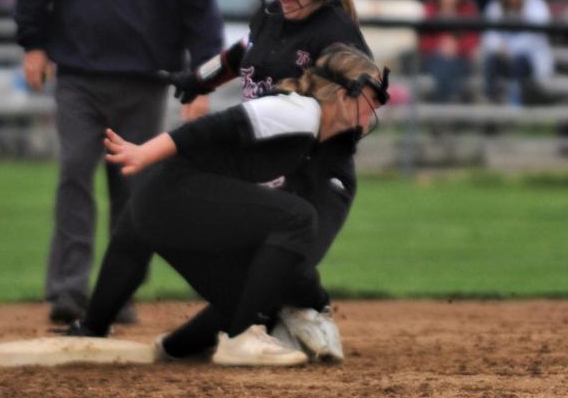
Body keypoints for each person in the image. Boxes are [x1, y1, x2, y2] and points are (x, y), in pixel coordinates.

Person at [68, 45, 389, 367]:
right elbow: (212, 126)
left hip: (162, 206)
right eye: (372, 92)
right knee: (298, 217)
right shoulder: (300, 112)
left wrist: (93, 324)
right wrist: (145, 152)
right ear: (342, 93)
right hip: (172, 194)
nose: (377, 104)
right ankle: (240, 336)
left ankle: (177, 347)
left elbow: (133, 237)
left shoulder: (319, 144)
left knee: (255, 294)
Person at [15, 0, 224, 325]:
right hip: (80, 79)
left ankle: (121, 291)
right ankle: (67, 290)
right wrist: (34, 45)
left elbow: (203, 23)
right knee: (74, 173)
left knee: (132, 190)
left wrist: (202, 84)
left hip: (144, 84)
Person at [148, 0, 374, 360]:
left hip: (320, 175)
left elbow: (362, 100)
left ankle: (312, 309)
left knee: (285, 267)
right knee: (246, 288)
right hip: (270, 171)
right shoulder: (269, 17)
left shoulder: (337, 35)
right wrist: (199, 80)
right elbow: (239, 54)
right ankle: (265, 321)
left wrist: (337, 101)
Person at [482, 0, 553, 105]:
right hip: (503, 58)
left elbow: (535, 37)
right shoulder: (496, 6)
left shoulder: (536, 4)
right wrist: (500, 47)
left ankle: (516, 103)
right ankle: (491, 102)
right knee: (490, 60)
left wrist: (510, 48)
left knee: (518, 61)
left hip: (528, 60)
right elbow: (489, 37)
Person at [418, 0, 480, 103]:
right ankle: (449, 104)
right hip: (433, 58)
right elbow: (422, 40)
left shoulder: (468, 8)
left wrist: (456, 46)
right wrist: (440, 45)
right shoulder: (429, 9)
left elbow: (473, 39)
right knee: (442, 64)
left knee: (450, 65)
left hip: (461, 57)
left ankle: (442, 108)